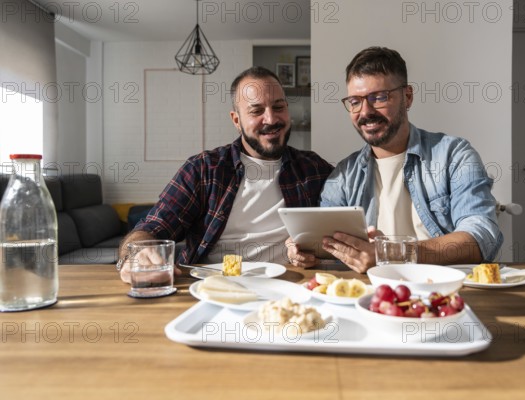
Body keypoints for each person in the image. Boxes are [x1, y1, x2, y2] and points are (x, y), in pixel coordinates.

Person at [288, 47, 503, 273]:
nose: (365, 112)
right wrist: (303, 251)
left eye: (379, 97)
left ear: (407, 97)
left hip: (444, 291)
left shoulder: (453, 155)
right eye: (355, 101)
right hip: (371, 296)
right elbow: (330, 252)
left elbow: (482, 236)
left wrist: (392, 254)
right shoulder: (342, 176)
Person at [117, 66, 333, 283]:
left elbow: (339, 229)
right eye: (256, 111)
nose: (271, 118)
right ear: (236, 120)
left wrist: (310, 248)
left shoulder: (313, 169)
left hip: (287, 287)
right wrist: (135, 254)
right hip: (210, 287)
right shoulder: (203, 169)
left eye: (279, 107)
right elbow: (150, 228)